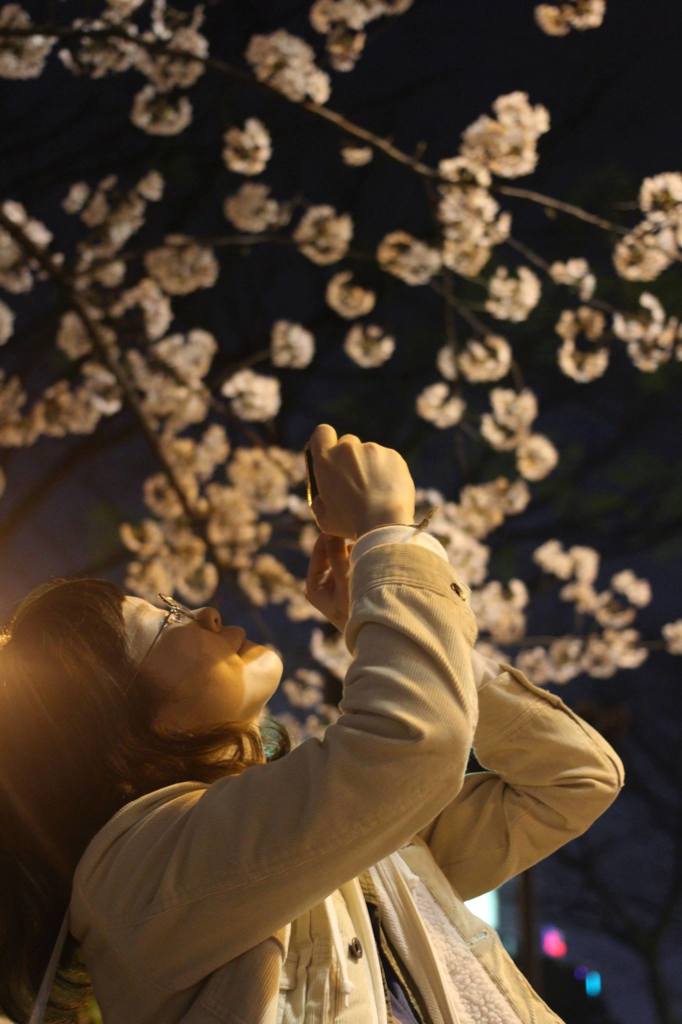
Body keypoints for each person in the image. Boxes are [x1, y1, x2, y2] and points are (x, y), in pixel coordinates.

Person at [0, 423, 625, 1024]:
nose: (208, 613)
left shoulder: (343, 836)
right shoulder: (135, 871)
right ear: (116, 718)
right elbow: (414, 747)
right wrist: (388, 538)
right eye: (164, 621)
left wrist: (394, 623)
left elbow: (574, 777)